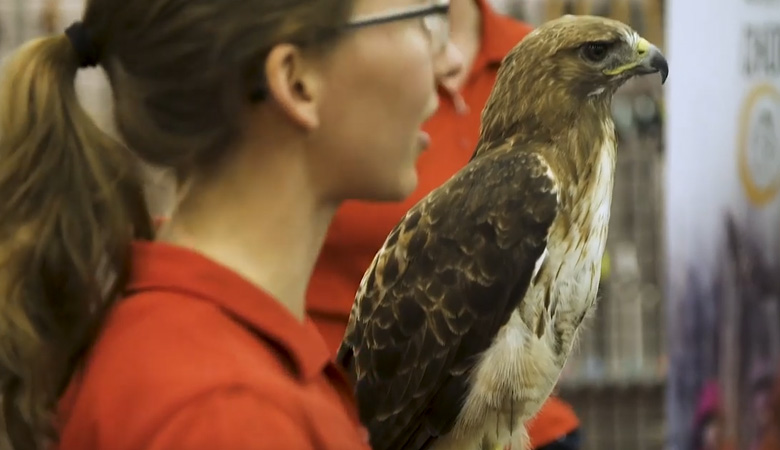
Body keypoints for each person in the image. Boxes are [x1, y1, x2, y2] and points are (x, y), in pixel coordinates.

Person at [0, 0, 458, 448]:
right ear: (297, 82)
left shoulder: (186, 347)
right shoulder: (230, 416)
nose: (451, 58)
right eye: (423, 19)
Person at [306, 0, 582, 448]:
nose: (449, 60)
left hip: (524, 420)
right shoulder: (366, 50)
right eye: (420, 26)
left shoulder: (540, 54)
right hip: (364, 416)